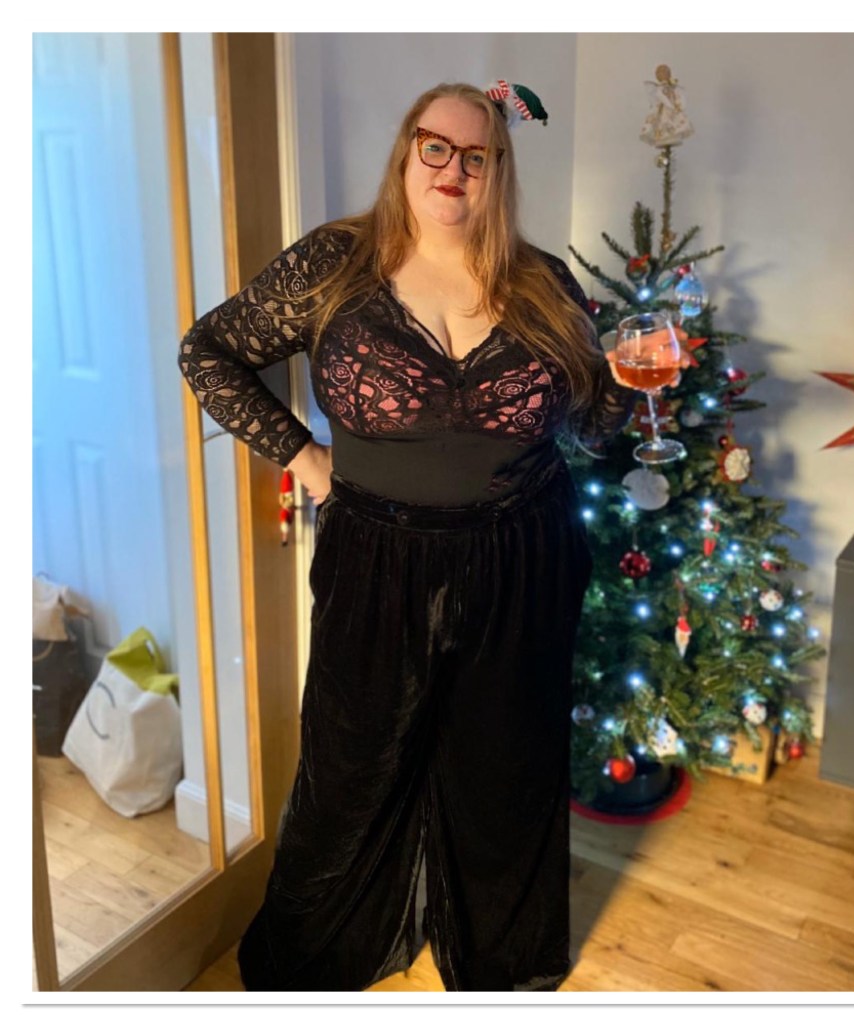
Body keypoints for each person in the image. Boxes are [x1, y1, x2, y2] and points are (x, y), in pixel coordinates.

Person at [178, 81, 637, 993]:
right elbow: (208, 352)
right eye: (437, 147)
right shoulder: (335, 264)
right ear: (406, 152)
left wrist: (631, 383)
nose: (453, 170)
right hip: (377, 558)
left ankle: (500, 959)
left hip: (522, 554)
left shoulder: (544, 283)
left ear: (498, 172)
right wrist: (305, 457)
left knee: (505, 762)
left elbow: (590, 429)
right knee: (352, 762)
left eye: (477, 156)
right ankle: (320, 955)